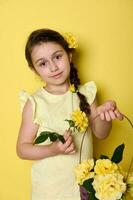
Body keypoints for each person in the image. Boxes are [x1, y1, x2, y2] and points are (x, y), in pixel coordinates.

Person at [16, 29, 123, 200]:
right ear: (34, 69)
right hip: (49, 191)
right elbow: (22, 149)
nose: (53, 67)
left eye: (58, 57)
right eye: (43, 63)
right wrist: (52, 149)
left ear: (69, 55)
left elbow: (101, 134)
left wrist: (104, 117)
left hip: (83, 188)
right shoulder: (36, 102)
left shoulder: (86, 94)